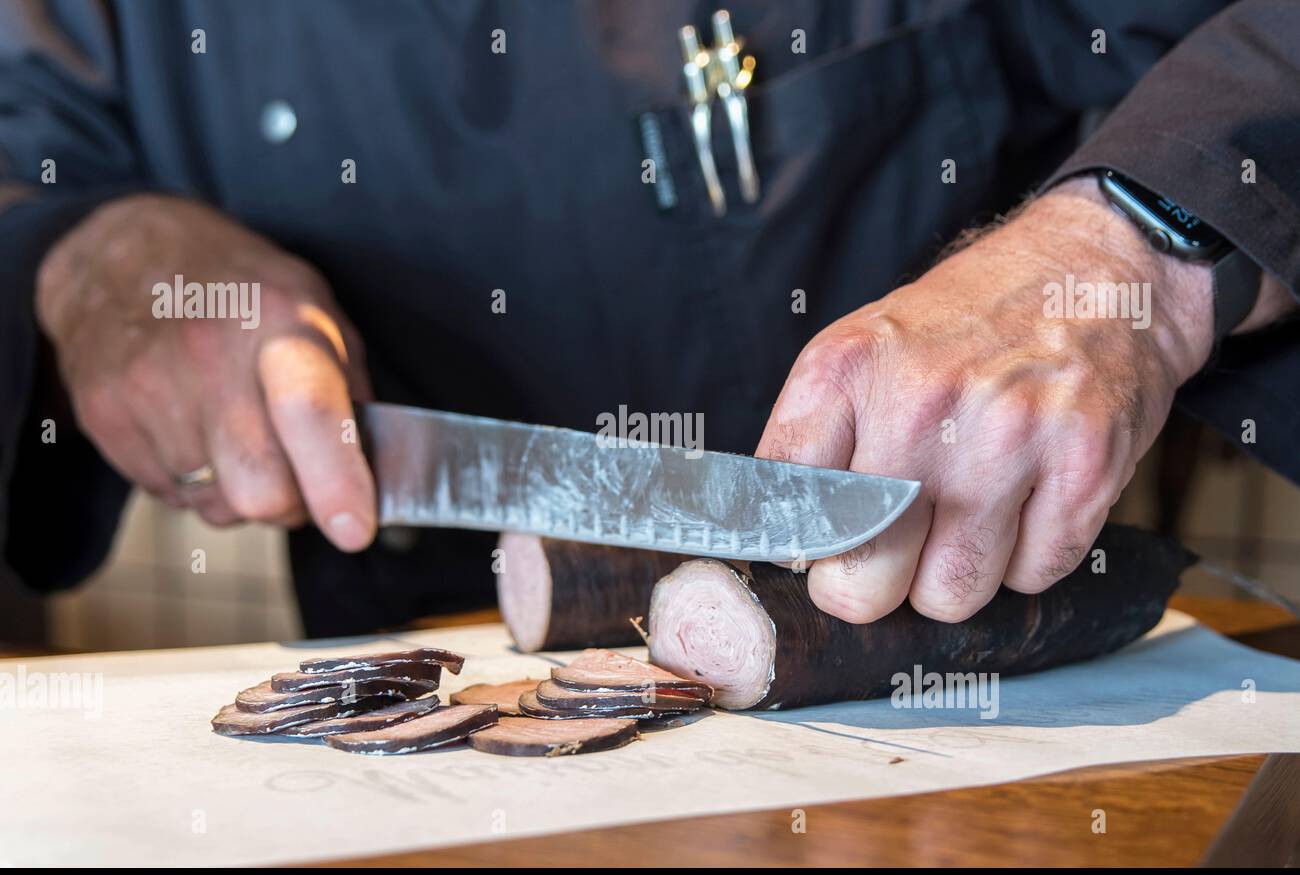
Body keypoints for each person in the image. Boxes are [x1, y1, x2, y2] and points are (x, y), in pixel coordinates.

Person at [1, 0, 1296, 637]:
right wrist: (94, 254)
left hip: (943, 669)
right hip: (430, 720)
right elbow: (25, 149)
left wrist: (1134, 238)